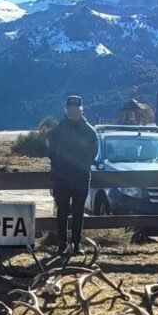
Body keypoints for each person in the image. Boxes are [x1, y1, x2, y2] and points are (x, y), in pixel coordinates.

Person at [46, 95, 98, 253]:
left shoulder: (90, 132)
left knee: (78, 211)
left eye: (77, 110)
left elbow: (93, 153)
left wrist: (81, 166)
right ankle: (61, 244)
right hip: (62, 178)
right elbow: (51, 153)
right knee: (62, 211)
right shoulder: (56, 131)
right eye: (71, 110)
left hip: (81, 178)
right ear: (66, 110)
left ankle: (76, 244)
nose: (74, 112)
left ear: (81, 111)